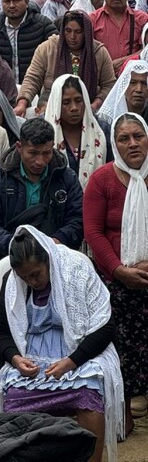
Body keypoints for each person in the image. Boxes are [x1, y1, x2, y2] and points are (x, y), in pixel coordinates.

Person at [0, 225, 123, 462]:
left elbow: (105, 327)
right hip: (32, 355)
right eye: (24, 277)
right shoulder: (12, 281)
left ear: (49, 260)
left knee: (88, 392)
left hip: (79, 351)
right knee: (15, 396)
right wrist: (15, 358)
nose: (31, 282)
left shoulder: (77, 269)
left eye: (36, 274)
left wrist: (71, 362)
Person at [84, 112, 148, 439]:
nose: (132, 143)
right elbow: (93, 233)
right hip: (113, 279)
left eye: (138, 136)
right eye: (124, 138)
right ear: (114, 143)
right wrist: (119, 270)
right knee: (115, 336)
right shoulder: (102, 180)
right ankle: (121, 406)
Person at [0, 117, 84, 263]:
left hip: (57, 258)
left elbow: (78, 219)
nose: (40, 161)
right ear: (19, 147)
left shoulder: (67, 178)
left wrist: (57, 241)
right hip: (6, 259)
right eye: (33, 153)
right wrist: (16, 246)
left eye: (46, 153)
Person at [15, 10, 115, 115]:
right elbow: (32, 78)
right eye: (68, 31)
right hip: (50, 104)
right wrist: (22, 104)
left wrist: (94, 106)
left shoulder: (99, 52)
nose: (72, 36)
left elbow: (109, 85)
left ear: (86, 32)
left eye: (78, 32)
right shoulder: (47, 48)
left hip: (88, 105)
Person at [44, 75, 108, 188]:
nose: (74, 108)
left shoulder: (101, 130)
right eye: (66, 102)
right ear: (56, 104)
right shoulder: (45, 132)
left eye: (78, 101)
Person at [0, 0, 57, 84]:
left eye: (16, 0)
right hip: (3, 88)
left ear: (26, 2)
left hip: (36, 87)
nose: (11, 5)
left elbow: (58, 51)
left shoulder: (43, 25)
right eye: (7, 1)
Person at [90, 0, 148, 71]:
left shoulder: (142, 18)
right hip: (102, 76)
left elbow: (147, 49)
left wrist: (126, 61)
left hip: (134, 75)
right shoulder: (92, 19)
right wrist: (107, 65)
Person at [98, 59, 148, 126]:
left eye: (144, 83)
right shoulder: (107, 119)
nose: (139, 89)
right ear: (124, 86)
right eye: (133, 83)